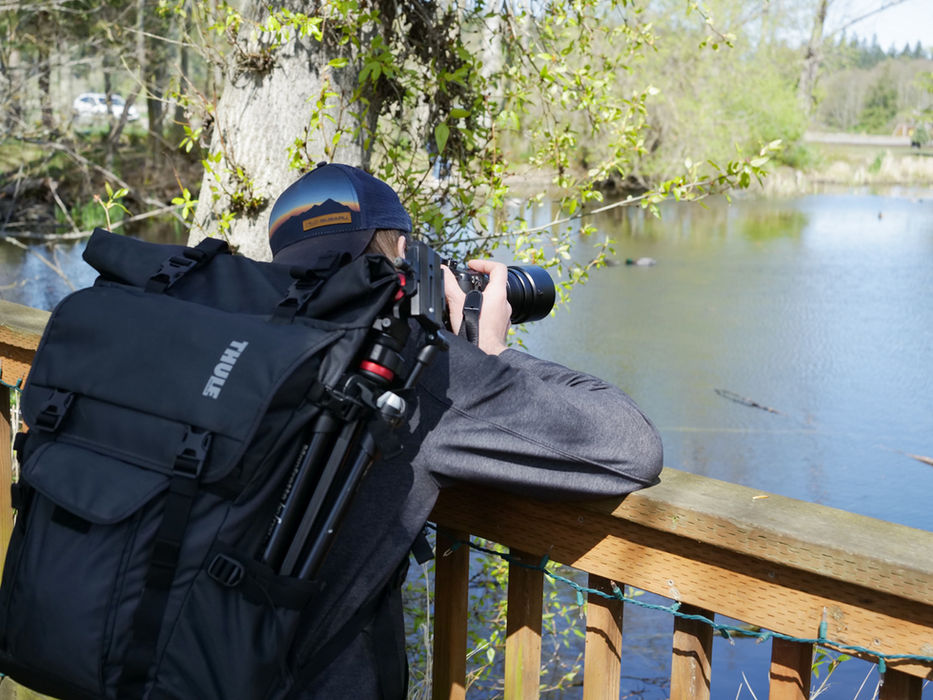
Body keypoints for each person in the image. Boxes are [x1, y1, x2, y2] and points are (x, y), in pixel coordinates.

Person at [267, 162, 663, 698]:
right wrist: (493, 355)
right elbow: (632, 446)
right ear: (401, 257)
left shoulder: (245, 343)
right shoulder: (415, 376)